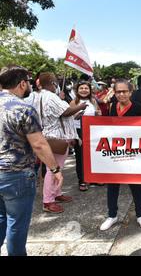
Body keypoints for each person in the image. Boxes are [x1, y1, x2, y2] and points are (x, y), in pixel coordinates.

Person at [0, 66, 63, 256]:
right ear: (21, 83)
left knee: (1, 219)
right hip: (16, 175)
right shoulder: (24, 108)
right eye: (27, 81)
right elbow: (39, 145)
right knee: (17, 225)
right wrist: (54, 169)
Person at [100, 79, 141, 231]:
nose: (121, 94)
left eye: (124, 91)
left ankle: (140, 214)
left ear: (130, 92)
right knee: (112, 186)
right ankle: (112, 215)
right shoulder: (112, 108)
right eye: (118, 91)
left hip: (134, 154)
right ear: (114, 93)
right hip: (116, 153)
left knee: (136, 185)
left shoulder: (139, 108)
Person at [37, 72, 85, 214]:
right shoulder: (50, 96)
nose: (57, 85)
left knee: (58, 168)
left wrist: (74, 115)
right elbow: (66, 112)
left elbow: (59, 116)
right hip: (55, 137)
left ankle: (56, 194)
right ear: (53, 83)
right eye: (55, 82)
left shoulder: (40, 95)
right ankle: (48, 201)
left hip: (52, 135)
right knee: (53, 170)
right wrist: (80, 107)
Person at [70, 81, 102, 192]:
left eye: (86, 88)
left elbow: (99, 113)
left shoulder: (93, 101)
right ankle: (82, 180)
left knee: (93, 155)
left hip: (92, 131)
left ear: (90, 90)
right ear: (77, 90)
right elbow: (69, 119)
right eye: (81, 88)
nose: (84, 90)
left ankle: (92, 178)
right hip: (78, 131)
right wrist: (77, 115)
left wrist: (98, 114)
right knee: (80, 157)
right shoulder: (74, 102)